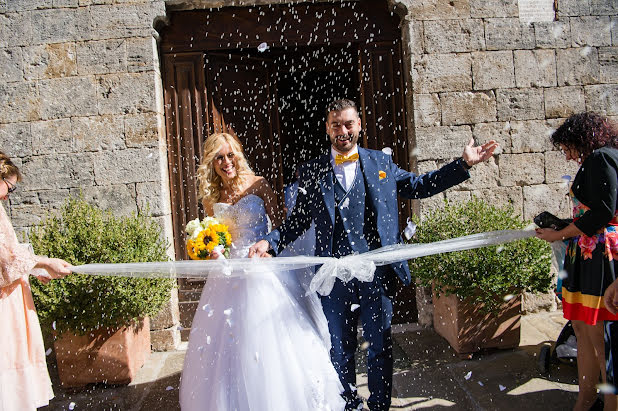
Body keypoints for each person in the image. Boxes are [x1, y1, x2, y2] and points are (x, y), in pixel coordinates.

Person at [249, 99, 498, 410]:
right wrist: (271, 242)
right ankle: (348, 403)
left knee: (380, 345)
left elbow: (419, 186)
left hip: (377, 273)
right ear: (327, 128)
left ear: (359, 125)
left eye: (349, 124)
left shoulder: (380, 163)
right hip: (335, 276)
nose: (343, 130)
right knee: (341, 348)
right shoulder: (312, 171)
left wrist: (463, 164)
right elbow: (300, 219)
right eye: (336, 124)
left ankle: (379, 405)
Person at [179, 132, 345, 411]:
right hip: (226, 273)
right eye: (219, 158)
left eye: (230, 155)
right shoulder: (211, 198)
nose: (226, 162)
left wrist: (269, 248)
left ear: (238, 155)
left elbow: (281, 227)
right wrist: (208, 249)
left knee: (269, 339)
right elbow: (214, 236)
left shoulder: (259, 185)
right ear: (212, 163)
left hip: (260, 270)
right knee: (224, 344)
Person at [536, 112, 618, 411]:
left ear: (581, 140)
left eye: (567, 148)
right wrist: (563, 226)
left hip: (599, 258)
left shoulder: (600, 159)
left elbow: (604, 213)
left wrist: (563, 233)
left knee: (600, 339)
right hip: (588, 254)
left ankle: (605, 403)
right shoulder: (603, 158)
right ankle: (585, 399)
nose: (568, 155)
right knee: (583, 331)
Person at [0, 151, 73, 410]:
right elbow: (7, 258)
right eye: (10, 187)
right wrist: (44, 262)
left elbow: (8, 253)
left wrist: (34, 268)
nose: (9, 194)